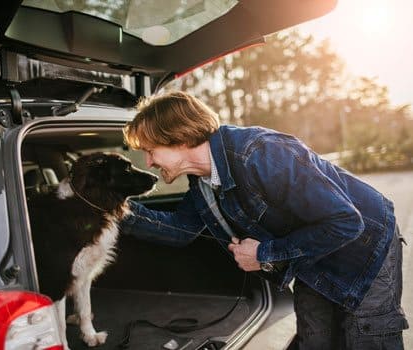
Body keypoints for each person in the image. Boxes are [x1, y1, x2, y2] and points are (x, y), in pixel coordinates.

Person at [119, 91, 408, 349]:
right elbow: (180, 230)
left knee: (365, 337)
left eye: (150, 150)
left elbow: (345, 222)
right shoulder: (202, 183)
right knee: (316, 338)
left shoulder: (260, 153)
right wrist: (118, 211)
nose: (149, 163)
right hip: (312, 252)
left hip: (364, 248)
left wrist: (263, 254)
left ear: (179, 138)